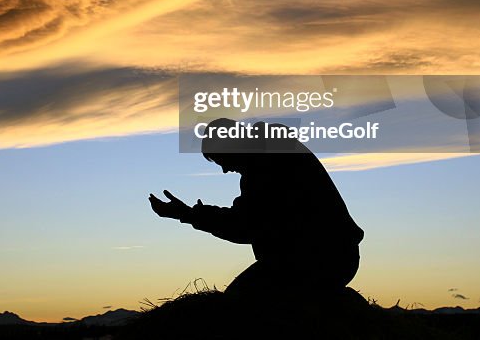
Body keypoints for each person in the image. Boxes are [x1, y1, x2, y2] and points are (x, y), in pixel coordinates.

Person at [149, 118, 364, 298]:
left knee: (239, 302)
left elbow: (246, 225)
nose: (224, 170)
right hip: (329, 255)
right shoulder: (270, 157)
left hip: (318, 257)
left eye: (221, 160)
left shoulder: (268, 164)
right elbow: (249, 219)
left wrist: (188, 214)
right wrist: (191, 214)